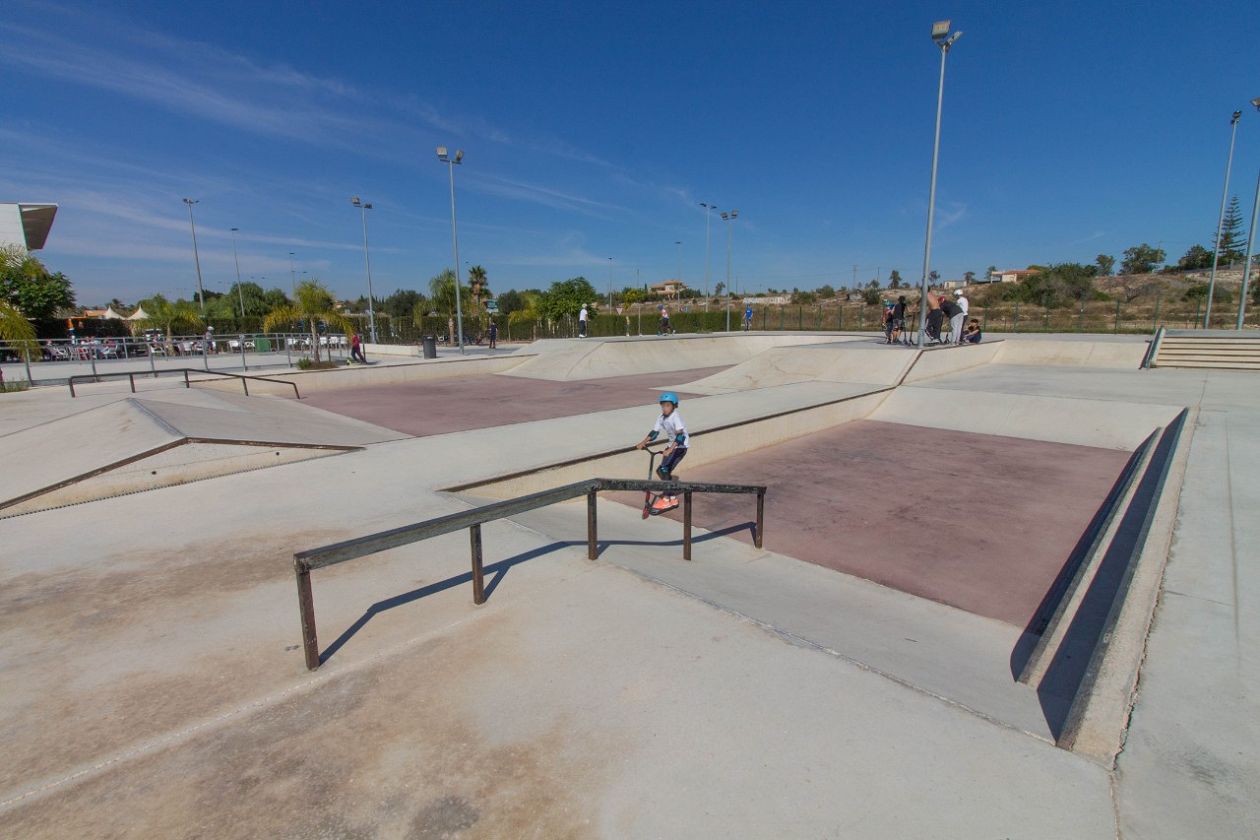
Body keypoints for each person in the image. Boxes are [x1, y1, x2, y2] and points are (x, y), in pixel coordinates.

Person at [635, 391, 688, 513]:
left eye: (668, 405)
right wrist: (643, 442)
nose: (665, 408)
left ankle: (666, 500)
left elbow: (681, 437)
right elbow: (654, 432)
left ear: (674, 406)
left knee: (664, 470)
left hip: (680, 447)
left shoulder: (676, 417)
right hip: (671, 445)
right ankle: (672, 497)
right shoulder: (661, 418)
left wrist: (670, 449)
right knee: (662, 471)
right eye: (663, 405)